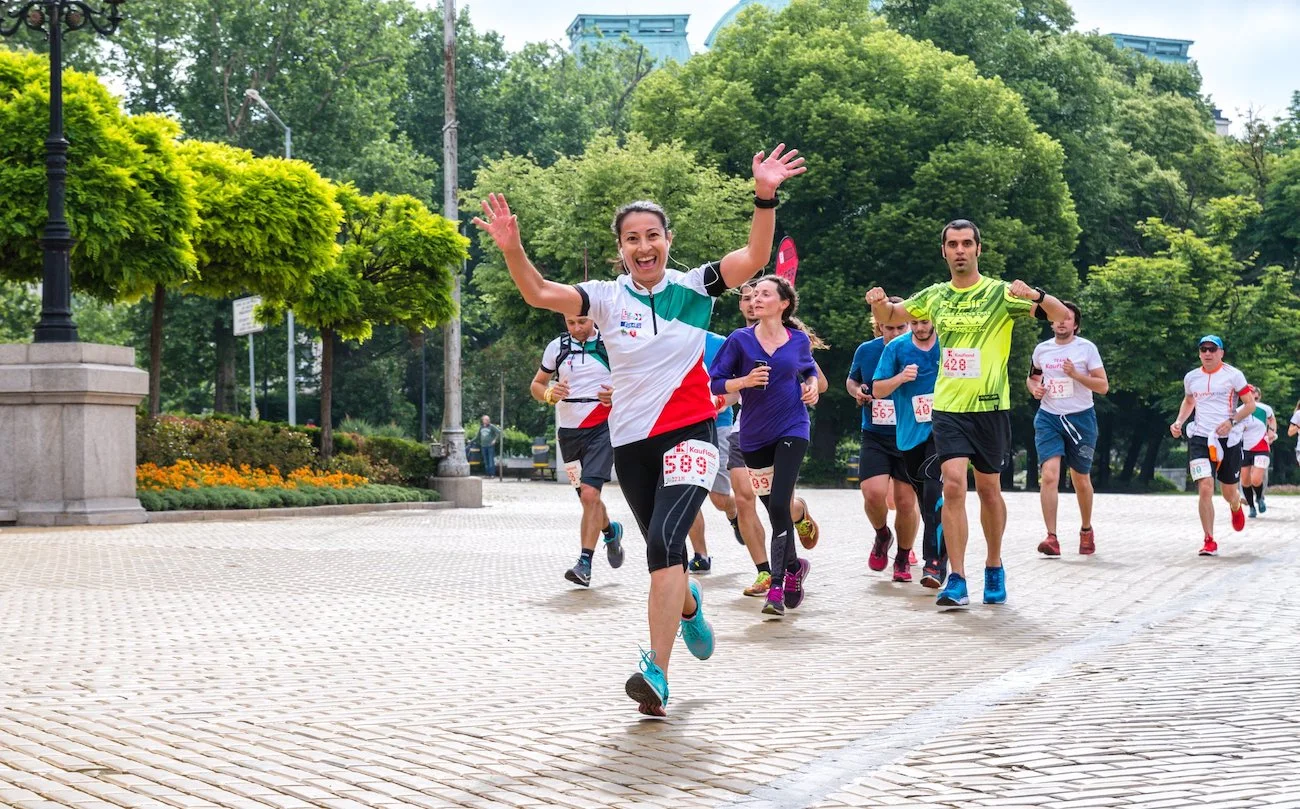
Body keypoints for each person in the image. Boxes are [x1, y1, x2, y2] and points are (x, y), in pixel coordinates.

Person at [473, 142, 805, 716]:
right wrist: (512, 249)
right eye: (632, 238)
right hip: (631, 444)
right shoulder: (603, 298)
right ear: (620, 249)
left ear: (668, 240)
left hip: (692, 432)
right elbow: (539, 293)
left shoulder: (696, 286)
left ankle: (657, 673)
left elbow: (755, 256)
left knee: (663, 546)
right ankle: (690, 604)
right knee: (666, 557)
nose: (644, 246)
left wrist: (764, 195)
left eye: (653, 235)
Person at [867, 218, 1069, 608]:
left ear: (978, 249)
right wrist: (878, 302)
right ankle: (956, 577)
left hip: (990, 407)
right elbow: (891, 314)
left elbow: (1059, 313)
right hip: (948, 408)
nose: (960, 250)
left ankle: (993, 565)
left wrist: (1036, 294)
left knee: (990, 490)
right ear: (943, 251)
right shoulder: (935, 295)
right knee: (954, 486)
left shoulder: (999, 293)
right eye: (952, 244)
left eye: (966, 243)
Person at [709, 275, 821, 617]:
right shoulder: (739, 340)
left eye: (764, 294)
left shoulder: (798, 340)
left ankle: (776, 586)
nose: (756, 299)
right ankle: (794, 567)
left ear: (783, 303)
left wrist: (811, 387)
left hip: (793, 427)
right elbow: (716, 382)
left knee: (779, 505)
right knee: (774, 506)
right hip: (753, 436)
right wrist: (744, 381)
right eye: (753, 295)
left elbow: (809, 371)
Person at [531, 315, 626, 586]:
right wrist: (549, 393)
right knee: (588, 499)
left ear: (593, 317)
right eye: (571, 323)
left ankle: (584, 563)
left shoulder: (611, 343)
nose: (577, 328)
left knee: (589, 493)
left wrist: (616, 393)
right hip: (569, 432)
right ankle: (610, 530)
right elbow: (537, 384)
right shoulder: (557, 347)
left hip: (602, 427)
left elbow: (636, 381)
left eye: (582, 322)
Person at [1026, 301, 1109, 556]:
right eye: (1058, 317)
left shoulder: (1086, 349)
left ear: (1076, 324)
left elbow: (1103, 386)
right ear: (1051, 321)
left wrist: (1076, 375)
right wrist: (1035, 389)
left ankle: (1086, 529)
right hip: (1049, 417)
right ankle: (1051, 537)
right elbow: (1032, 377)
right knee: (1049, 475)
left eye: (1068, 318)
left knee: (1080, 479)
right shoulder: (1042, 349)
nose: (1062, 321)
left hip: (1081, 418)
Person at [872, 315, 945, 587]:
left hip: (943, 429)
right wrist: (901, 377)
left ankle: (933, 563)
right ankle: (939, 554)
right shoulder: (896, 348)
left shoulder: (947, 342)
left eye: (925, 322)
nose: (920, 328)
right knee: (925, 498)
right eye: (914, 323)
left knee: (933, 490)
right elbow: (878, 389)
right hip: (909, 435)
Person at [848, 301, 919, 579]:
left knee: (905, 502)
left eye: (901, 327)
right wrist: (857, 391)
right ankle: (882, 534)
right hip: (875, 433)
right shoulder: (867, 350)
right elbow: (852, 381)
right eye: (889, 328)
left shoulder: (920, 350)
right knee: (873, 493)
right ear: (879, 326)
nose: (895, 333)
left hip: (909, 435)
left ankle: (902, 556)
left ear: (910, 325)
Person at [1169, 335, 1255, 556]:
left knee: (1228, 492)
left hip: (1229, 439)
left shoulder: (1233, 375)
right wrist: (1179, 421)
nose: (1207, 353)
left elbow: (1250, 404)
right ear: (1199, 353)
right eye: (1203, 349)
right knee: (1205, 486)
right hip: (1200, 437)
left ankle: (1235, 505)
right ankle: (1209, 540)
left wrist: (1231, 422)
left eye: (1212, 349)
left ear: (1221, 353)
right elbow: (1189, 401)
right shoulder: (1191, 377)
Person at [685, 329, 743, 574]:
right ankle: (700, 555)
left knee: (719, 499)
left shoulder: (721, 344)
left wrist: (715, 404)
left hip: (717, 425)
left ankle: (733, 513)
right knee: (686, 492)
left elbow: (736, 391)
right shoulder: (669, 339)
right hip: (681, 427)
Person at [1239, 385, 1276, 518]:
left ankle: (1259, 498)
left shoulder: (1264, 408)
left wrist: (1271, 431)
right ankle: (1251, 507)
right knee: (1245, 480)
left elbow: (1272, 419)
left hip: (1261, 447)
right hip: (1245, 448)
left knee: (1256, 479)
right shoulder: (1239, 411)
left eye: (1252, 393)